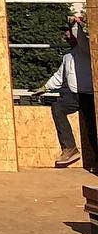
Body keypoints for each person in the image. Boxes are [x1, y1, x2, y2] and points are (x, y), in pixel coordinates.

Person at [42, 9, 93, 170]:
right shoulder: (68, 56)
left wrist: (75, 24)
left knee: (92, 130)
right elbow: (59, 76)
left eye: (67, 32)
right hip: (74, 95)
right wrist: (44, 87)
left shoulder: (86, 50)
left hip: (89, 95)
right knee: (58, 108)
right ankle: (70, 148)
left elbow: (81, 39)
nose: (65, 36)